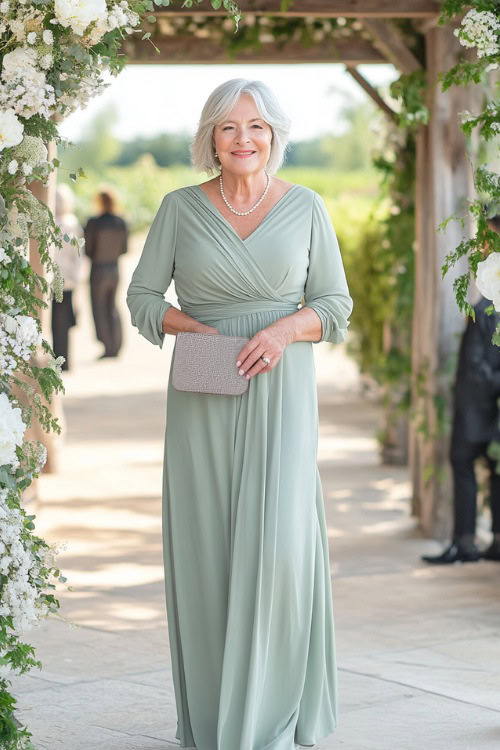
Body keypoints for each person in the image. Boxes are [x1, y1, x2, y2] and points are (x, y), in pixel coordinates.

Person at [126, 79, 353, 750]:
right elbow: (141, 295)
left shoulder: (307, 206)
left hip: (283, 393)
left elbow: (334, 306)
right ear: (211, 139)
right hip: (203, 386)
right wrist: (191, 329)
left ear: (274, 135)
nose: (243, 138)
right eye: (228, 127)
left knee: (281, 547)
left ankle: (273, 715)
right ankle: (217, 713)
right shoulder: (178, 208)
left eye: (255, 126)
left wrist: (285, 332)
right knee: (209, 550)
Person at [422, 214, 500, 565]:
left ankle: (466, 542)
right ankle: (486, 540)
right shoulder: (489, 291)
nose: (484, 244)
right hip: (481, 398)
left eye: (490, 238)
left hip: (480, 401)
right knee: (490, 466)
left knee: (465, 461)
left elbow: (483, 360)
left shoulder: (491, 298)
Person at [84, 187, 128, 359]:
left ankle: (107, 346)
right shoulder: (121, 221)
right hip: (115, 269)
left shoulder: (94, 222)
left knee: (99, 308)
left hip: (98, 269)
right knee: (113, 306)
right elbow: (124, 249)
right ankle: (116, 346)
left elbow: (88, 250)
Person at [51, 183, 85, 371]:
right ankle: (61, 360)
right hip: (62, 278)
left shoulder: (69, 222)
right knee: (60, 321)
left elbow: (78, 252)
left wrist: (76, 276)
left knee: (61, 321)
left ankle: (62, 360)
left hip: (63, 279)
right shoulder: (68, 222)